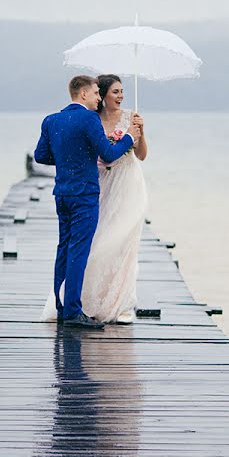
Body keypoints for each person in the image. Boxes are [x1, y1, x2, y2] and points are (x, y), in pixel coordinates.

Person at [40, 74, 149, 325]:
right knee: (80, 250)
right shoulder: (90, 118)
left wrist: (70, 161)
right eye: (103, 93)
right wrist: (129, 138)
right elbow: (109, 154)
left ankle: (62, 304)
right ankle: (73, 311)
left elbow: (41, 155)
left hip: (63, 191)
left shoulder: (51, 119)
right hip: (87, 192)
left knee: (64, 248)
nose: (102, 97)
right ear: (86, 93)